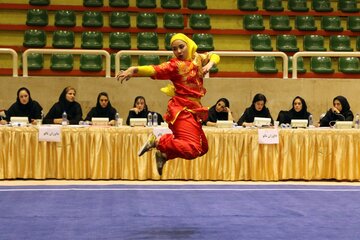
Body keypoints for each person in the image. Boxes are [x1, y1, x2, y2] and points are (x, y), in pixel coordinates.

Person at [116, 33, 220, 176]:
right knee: (194, 149)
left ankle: (164, 155)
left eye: (181, 47)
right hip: (181, 110)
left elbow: (215, 55)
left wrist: (209, 64)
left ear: (188, 45)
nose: (178, 51)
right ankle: (158, 141)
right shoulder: (175, 65)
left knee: (203, 148)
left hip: (194, 110)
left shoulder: (197, 58)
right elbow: (154, 69)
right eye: (174, 49)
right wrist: (134, 70)